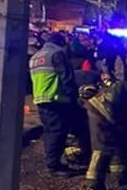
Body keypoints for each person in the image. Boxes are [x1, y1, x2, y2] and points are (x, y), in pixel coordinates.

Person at [29, 33, 90, 175]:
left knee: (50, 132)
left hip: (41, 99)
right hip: (56, 98)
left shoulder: (35, 57)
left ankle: (53, 161)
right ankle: (53, 165)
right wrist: (75, 97)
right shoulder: (57, 53)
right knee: (58, 132)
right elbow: (66, 77)